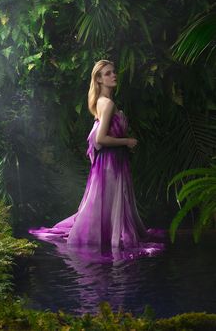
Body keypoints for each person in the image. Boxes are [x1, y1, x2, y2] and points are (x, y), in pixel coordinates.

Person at [29, 60, 165, 253]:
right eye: (108, 73)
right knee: (108, 204)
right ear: (99, 79)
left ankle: (106, 239)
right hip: (110, 163)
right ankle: (108, 243)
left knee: (105, 204)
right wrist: (126, 141)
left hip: (110, 162)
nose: (114, 75)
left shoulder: (102, 102)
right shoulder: (107, 104)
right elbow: (100, 139)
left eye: (114, 71)